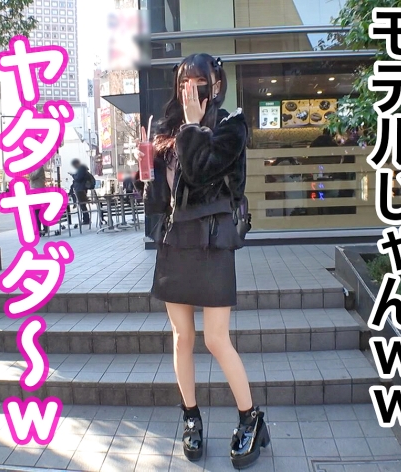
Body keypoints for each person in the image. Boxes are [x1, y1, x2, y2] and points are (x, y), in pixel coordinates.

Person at [135, 53, 268, 469]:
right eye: (183, 83)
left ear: (217, 85)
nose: (189, 91)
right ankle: (191, 417)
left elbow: (199, 172)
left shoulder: (231, 127)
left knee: (215, 338)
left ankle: (251, 419)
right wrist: (146, 166)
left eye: (199, 83)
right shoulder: (166, 129)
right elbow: (159, 200)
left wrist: (193, 127)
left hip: (213, 243)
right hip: (176, 243)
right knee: (182, 337)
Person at [70, 159, 95, 225]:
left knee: (83, 205)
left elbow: (78, 178)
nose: (74, 167)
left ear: (76, 164)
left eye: (74, 165)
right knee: (83, 206)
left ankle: (86, 219)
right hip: (81, 189)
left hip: (80, 189)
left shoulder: (81, 169)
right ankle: (86, 219)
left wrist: (73, 175)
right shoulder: (82, 169)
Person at [29, 163, 48, 236]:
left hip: (38, 191)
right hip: (35, 191)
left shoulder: (39, 167)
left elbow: (32, 177)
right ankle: (40, 228)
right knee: (36, 211)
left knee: (38, 211)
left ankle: (41, 229)